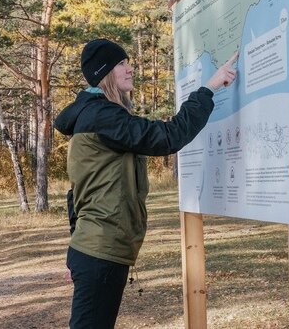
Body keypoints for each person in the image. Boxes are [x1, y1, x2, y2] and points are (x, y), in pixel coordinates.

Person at [54, 38, 238, 328]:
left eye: (128, 62)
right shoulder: (103, 116)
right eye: (121, 64)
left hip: (94, 250)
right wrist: (209, 88)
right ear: (104, 73)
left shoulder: (93, 115)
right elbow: (169, 136)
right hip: (100, 251)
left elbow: (76, 192)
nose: (130, 69)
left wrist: (78, 246)